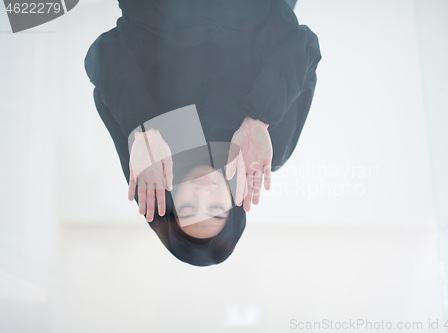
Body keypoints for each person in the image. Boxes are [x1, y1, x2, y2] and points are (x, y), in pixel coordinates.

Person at [84, 0, 321, 266]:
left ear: (171, 200)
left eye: (187, 209)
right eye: (216, 210)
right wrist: (259, 118)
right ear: (234, 204)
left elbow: (104, 53)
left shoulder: (154, 150)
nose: (202, 195)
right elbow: (303, 45)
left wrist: (142, 128)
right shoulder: (264, 155)